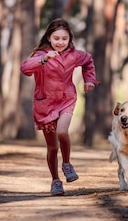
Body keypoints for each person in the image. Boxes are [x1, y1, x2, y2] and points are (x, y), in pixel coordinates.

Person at [21, 18, 100, 196]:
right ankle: (55, 181)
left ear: (69, 39)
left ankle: (67, 164)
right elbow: (25, 68)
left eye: (64, 39)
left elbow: (88, 61)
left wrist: (89, 80)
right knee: (52, 147)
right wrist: (43, 59)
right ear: (49, 37)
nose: (60, 42)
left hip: (66, 99)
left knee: (62, 132)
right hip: (45, 104)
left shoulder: (74, 55)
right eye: (56, 38)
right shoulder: (40, 54)